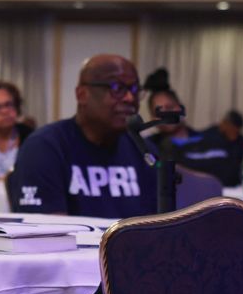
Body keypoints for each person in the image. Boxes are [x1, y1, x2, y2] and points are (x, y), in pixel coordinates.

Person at [10, 54, 157, 217]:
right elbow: (46, 234)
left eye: (135, 89)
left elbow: (159, 227)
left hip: (134, 243)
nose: (130, 98)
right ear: (82, 94)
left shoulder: (144, 152)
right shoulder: (44, 148)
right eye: (117, 88)